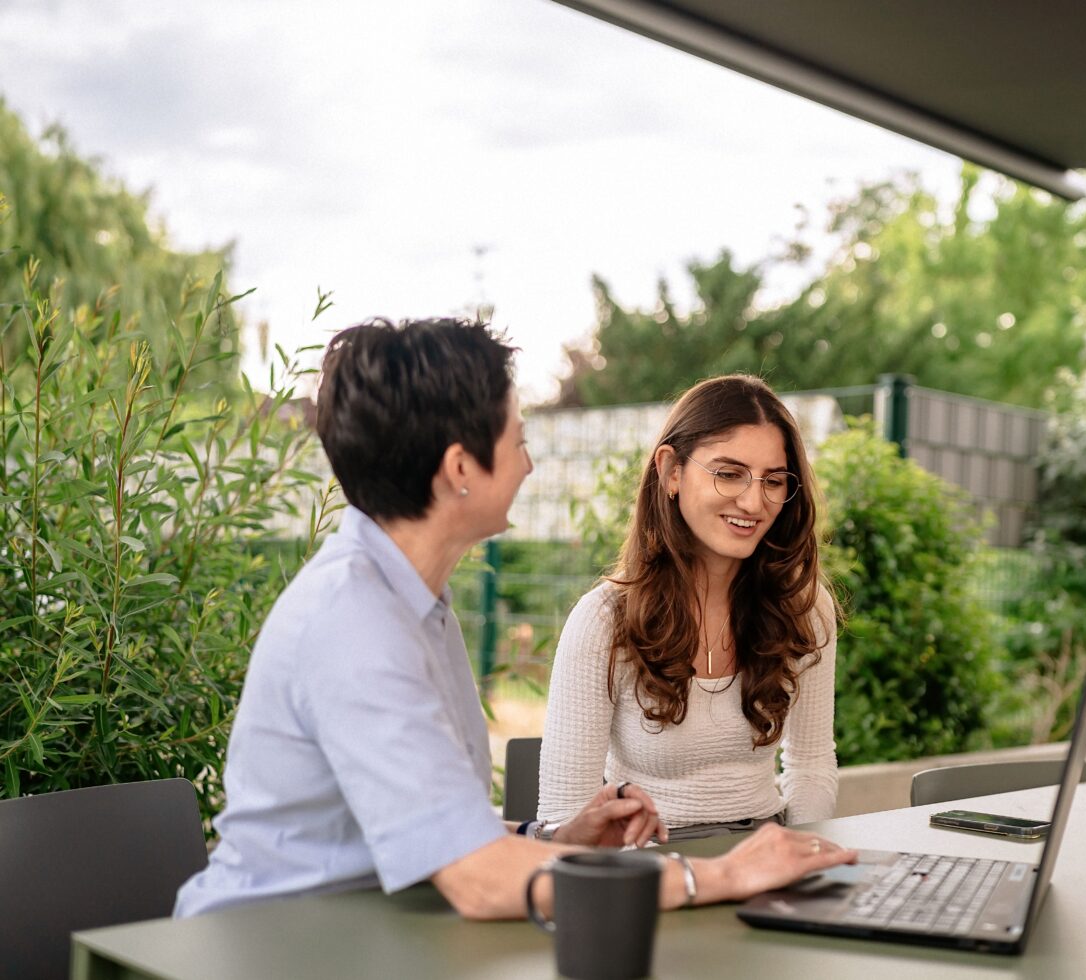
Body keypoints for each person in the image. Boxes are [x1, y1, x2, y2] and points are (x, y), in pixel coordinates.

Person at [174, 319, 854, 920]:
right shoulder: (354, 624)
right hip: (268, 946)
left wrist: (554, 839)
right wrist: (724, 874)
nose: (530, 463)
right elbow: (475, 881)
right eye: (517, 440)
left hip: (365, 930)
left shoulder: (413, 605)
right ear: (461, 467)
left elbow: (437, 831)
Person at [538, 375, 839, 840]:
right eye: (728, 473)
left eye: (774, 481)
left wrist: (801, 855)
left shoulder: (804, 605)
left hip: (768, 850)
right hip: (648, 868)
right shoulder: (603, 620)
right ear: (671, 471)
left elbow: (811, 763)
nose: (754, 501)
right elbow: (565, 817)